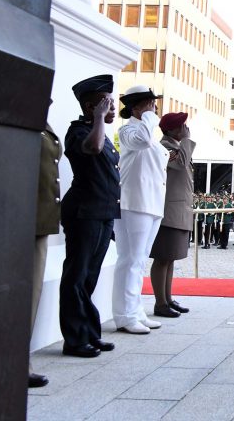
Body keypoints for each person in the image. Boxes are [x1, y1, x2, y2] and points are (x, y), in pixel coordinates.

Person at [59, 75, 119, 358]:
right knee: (76, 275)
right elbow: (92, 149)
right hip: (84, 212)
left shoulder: (101, 134)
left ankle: (89, 333)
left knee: (89, 276)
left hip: (102, 212)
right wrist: (98, 118)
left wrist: (99, 120)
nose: (112, 107)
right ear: (90, 106)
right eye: (106, 103)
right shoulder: (79, 132)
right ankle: (74, 339)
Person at [113, 85, 168, 334]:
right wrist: (148, 116)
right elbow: (142, 141)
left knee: (139, 259)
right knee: (131, 260)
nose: (154, 107)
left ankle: (135, 311)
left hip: (151, 202)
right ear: (136, 107)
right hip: (134, 202)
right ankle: (125, 315)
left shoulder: (148, 131)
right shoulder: (128, 130)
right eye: (149, 103)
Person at [149, 112, 196, 319]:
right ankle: (160, 303)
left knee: (171, 258)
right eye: (181, 126)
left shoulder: (176, 147)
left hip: (179, 211)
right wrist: (186, 140)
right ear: (170, 130)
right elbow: (179, 164)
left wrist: (184, 142)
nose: (185, 129)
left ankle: (167, 299)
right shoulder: (165, 147)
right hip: (169, 212)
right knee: (162, 258)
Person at [29, 113, 63, 386]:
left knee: (31, 293)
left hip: (39, 219)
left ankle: (19, 360)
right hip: (15, 216)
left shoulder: (41, 121)